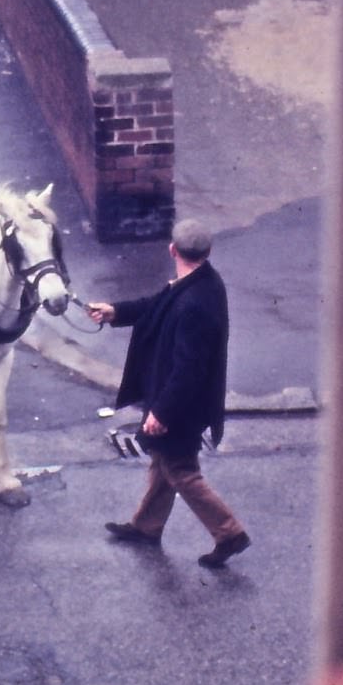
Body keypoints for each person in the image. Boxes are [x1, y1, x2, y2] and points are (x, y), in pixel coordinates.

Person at [86, 218, 251, 568]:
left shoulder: (193, 304)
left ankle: (229, 533)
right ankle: (146, 526)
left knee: (181, 470)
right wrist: (116, 312)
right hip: (184, 402)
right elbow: (156, 305)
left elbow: (187, 370)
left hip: (180, 407)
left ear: (172, 249)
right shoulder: (203, 283)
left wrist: (161, 412)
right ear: (207, 251)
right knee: (163, 462)